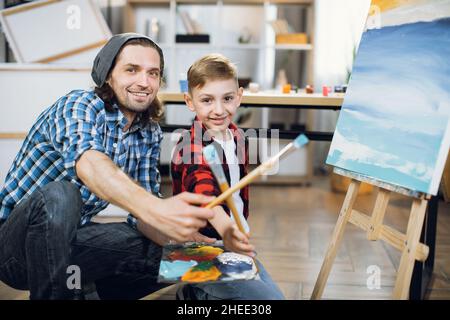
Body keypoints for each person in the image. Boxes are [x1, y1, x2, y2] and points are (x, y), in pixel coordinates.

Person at [0, 33, 217, 300]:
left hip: (67, 247)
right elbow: (90, 165)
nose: (144, 82)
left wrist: (197, 245)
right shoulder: (79, 105)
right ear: (107, 75)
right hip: (14, 250)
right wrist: (157, 208)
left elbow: (143, 218)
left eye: (153, 73)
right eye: (131, 70)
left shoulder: (148, 132)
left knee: (192, 257)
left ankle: (88, 291)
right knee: (61, 194)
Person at [171, 54, 285, 300]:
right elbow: (205, 199)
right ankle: (195, 291)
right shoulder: (192, 147)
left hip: (230, 247)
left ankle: (194, 291)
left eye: (228, 98)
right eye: (207, 100)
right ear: (189, 102)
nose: (219, 110)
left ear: (240, 96)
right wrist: (228, 231)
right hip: (197, 252)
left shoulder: (235, 135)